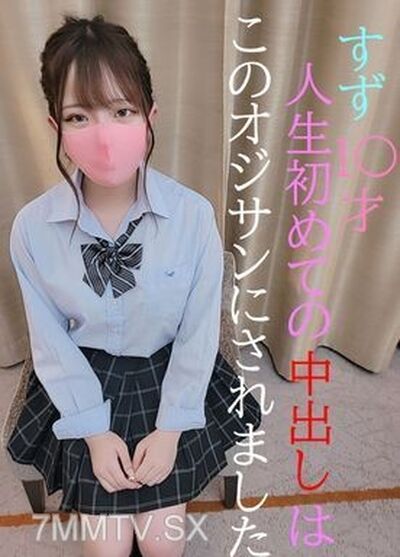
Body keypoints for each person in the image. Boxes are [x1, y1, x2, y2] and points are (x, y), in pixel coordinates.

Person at [6, 14, 262, 557]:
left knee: (162, 545)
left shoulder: (193, 216)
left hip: (169, 373)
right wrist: (94, 433)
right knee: (106, 548)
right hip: (86, 376)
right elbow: (50, 343)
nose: (103, 135)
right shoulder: (32, 228)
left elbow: (199, 332)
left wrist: (170, 431)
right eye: (79, 116)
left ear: (150, 116)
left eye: (122, 111)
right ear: (55, 126)